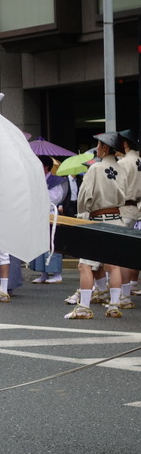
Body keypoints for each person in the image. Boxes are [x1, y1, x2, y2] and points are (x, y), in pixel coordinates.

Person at [64, 131, 127, 319]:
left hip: (98, 221)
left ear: (105, 147)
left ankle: (83, 307)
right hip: (117, 218)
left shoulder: (95, 169)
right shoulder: (122, 169)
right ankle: (114, 305)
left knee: (85, 265)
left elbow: (84, 197)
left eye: (98, 146)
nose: (97, 150)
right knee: (113, 264)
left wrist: (82, 215)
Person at [29, 155, 65, 284]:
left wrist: (40, 194)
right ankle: (43, 272)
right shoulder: (36, 179)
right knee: (40, 243)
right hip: (38, 215)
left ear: (46, 167)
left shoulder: (56, 181)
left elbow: (55, 198)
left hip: (50, 215)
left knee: (53, 243)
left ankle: (56, 273)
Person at [117, 129, 140, 300]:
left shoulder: (124, 162)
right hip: (136, 208)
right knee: (127, 251)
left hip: (124, 208)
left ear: (125, 143)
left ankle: (123, 295)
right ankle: (127, 288)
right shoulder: (139, 160)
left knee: (119, 254)